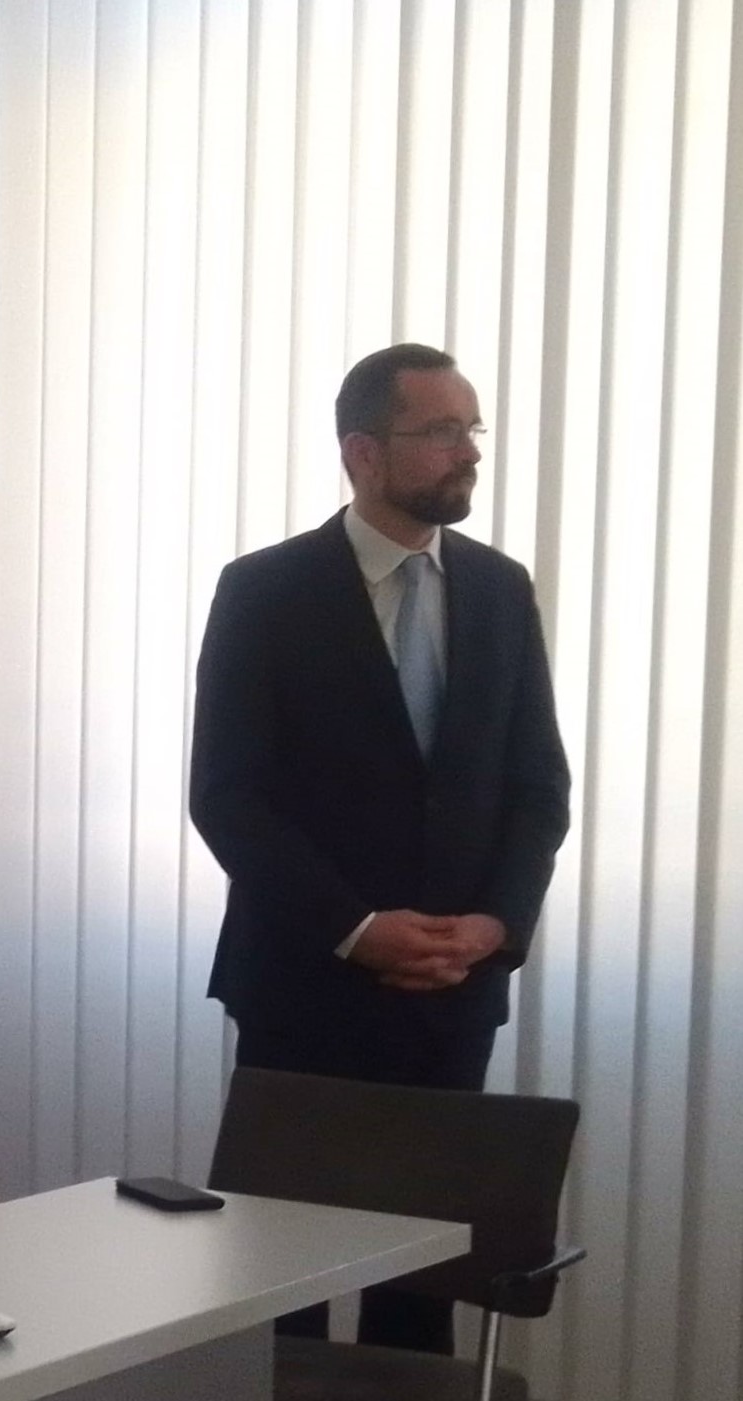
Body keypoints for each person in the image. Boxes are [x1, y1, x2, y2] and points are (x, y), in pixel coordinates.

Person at [188, 344, 573, 1354]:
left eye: (469, 428)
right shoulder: (264, 590)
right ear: (362, 452)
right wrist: (355, 928)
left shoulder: (498, 589)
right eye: (439, 430)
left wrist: (493, 925)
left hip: (451, 993)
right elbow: (227, 796)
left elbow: (538, 786)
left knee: (420, 1295)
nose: (467, 451)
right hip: (303, 987)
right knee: (283, 1295)